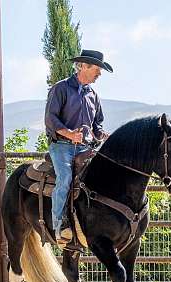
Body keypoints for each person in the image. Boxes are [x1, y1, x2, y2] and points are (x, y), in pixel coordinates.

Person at [44, 49, 113, 243]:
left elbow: (96, 125)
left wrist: (102, 135)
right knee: (65, 179)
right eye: (97, 69)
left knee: (103, 176)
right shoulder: (61, 89)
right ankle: (59, 226)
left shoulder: (93, 96)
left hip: (86, 147)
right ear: (83, 66)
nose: (99, 74)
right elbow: (51, 119)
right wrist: (69, 134)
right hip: (61, 146)